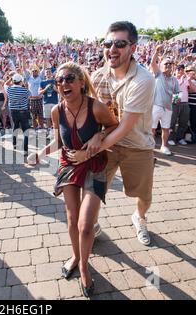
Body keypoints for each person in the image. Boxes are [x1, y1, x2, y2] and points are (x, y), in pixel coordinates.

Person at [27, 62, 118, 298]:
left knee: (86, 225)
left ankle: (85, 267)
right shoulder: (57, 110)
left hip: (95, 165)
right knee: (71, 218)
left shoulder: (96, 107)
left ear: (80, 82)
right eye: (59, 81)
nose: (63, 84)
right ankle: (76, 257)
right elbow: (59, 141)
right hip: (68, 165)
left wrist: (100, 134)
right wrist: (39, 154)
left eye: (68, 79)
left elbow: (114, 126)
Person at [70, 21, 156, 246]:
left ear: (133, 48)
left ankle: (140, 218)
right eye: (108, 43)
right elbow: (92, 114)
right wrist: (95, 136)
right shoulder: (97, 76)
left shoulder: (144, 80)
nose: (112, 48)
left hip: (137, 145)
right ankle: (92, 226)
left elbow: (125, 127)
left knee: (144, 196)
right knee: (93, 189)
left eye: (120, 43)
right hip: (107, 145)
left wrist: (88, 152)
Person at [150, 49, 180, 156]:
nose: (168, 65)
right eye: (166, 63)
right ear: (161, 65)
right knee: (152, 128)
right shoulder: (158, 74)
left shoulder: (175, 80)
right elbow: (153, 63)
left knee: (166, 128)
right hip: (155, 106)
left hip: (168, 108)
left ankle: (164, 146)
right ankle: (150, 148)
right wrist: (156, 52)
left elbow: (177, 92)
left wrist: (177, 98)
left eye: (170, 64)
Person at [5, 73, 31, 155]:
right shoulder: (24, 90)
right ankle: (25, 150)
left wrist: (11, 78)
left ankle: (14, 144)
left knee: (15, 127)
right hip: (23, 111)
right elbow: (29, 96)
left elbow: (6, 84)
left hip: (13, 111)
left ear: (13, 81)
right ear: (21, 81)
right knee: (25, 131)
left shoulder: (9, 89)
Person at [168, 64, 192, 146]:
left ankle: (180, 138)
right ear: (176, 70)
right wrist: (181, 81)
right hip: (175, 102)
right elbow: (173, 89)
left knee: (183, 122)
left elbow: (190, 88)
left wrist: (189, 80)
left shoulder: (185, 79)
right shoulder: (172, 79)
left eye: (182, 70)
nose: (181, 71)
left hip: (185, 103)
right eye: (179, 69)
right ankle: (170, 138)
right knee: (172, 122)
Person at [39, 68, 59, 137]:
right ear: (45, 74)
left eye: (49, 72)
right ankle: (50, 132)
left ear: (51, 73)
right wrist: (45, 88)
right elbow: (39, 92)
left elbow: (60, 91)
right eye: (47, 72)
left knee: (55, 117)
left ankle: (56, 132)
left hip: (54, 102)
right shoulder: (42, 82)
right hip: (46, 102)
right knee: (47, 118)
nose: (48, 73)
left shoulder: (55, 81)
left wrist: (55, 88)